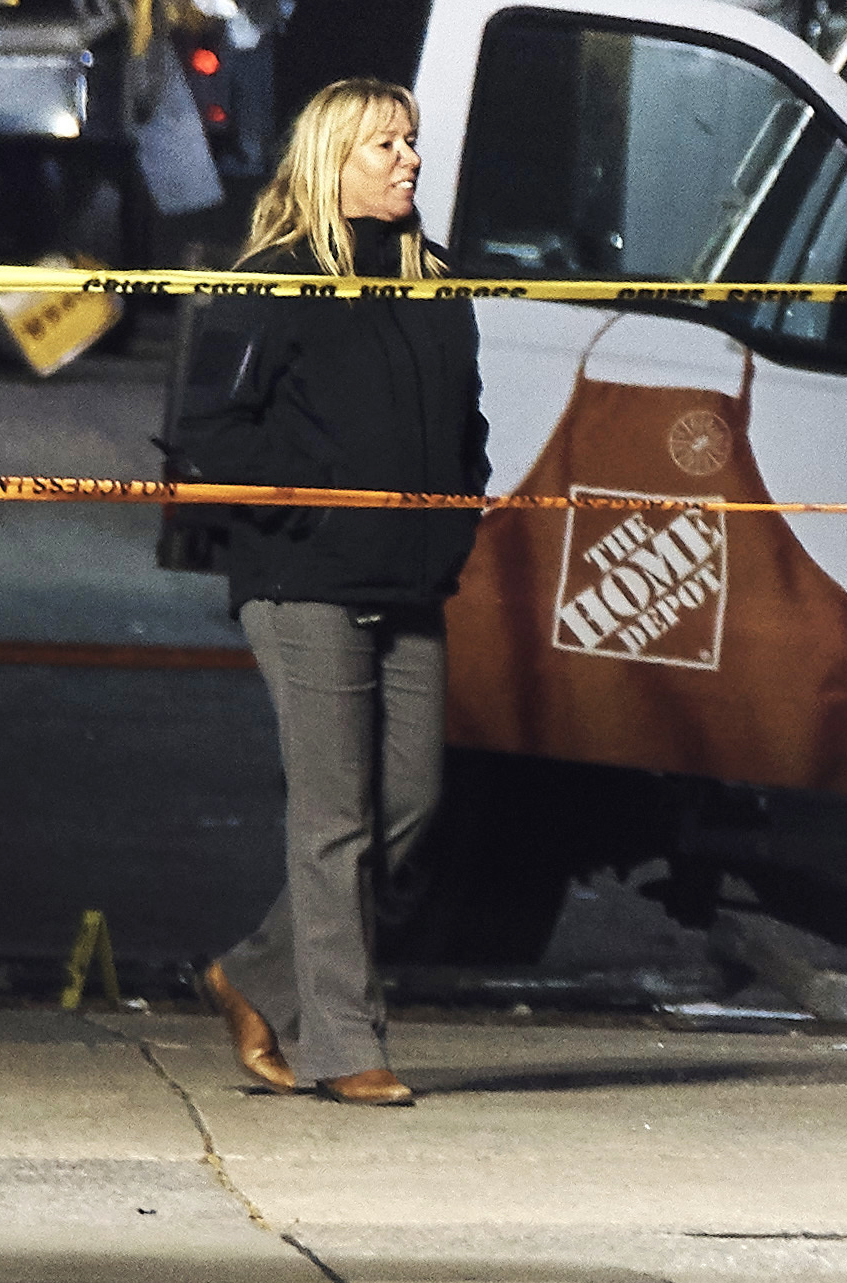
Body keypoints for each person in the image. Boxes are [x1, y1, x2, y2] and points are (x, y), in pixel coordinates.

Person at [175, 77, 486, 1106]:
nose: (409, 159)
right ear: (330, 160)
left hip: (410, 578)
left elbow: (467, 425)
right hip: (303, 579)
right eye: (384, 145)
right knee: (333, 819)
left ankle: (251, 976)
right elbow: (206, 437)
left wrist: (455, 516)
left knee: (411, 802)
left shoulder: (434, 279)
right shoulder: (270, 282)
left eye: (411, 141)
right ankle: (344, 1044)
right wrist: (316, 505)